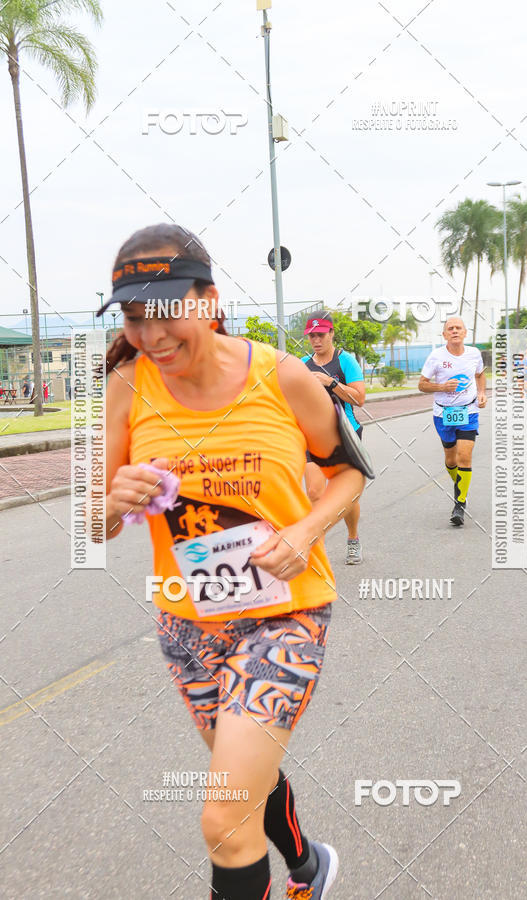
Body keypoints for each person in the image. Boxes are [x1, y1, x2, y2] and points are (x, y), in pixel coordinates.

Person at [102, 224, 365, 900]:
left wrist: (307, 530)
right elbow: (95, 521)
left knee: (223, 813)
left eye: (166, 316)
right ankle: (310, 867)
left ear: (209, 299)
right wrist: (115, 500)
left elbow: (348, 473)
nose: (153, 337)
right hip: (188, 628)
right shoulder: (128, 387)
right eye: (135, 320)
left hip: (286, 615)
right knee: (244, 776)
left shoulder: (282, 375)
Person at [301, 312, 366, 564]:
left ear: (331, 334)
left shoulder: (345, 361)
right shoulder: (302, 364)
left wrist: (330, 383)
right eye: (312, 336)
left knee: (345, 496)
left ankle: (353, 538)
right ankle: (319, 552)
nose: (316, 340)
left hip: (345, 433)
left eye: (321, 334)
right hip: (313, 436)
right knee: (315, 492)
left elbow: (359, 398)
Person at [418, 317, 487, 526]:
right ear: (445, 334)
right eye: (450, 328)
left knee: (464, 457)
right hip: (443, 414)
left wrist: (482, 392)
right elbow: (422, 385)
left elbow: (480, 374)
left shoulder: (474, 353)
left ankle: (460, 503)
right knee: (451, 460)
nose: (455, 331)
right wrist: (442, 387)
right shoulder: (436, 356)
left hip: (469, 411)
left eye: (458, 328)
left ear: (465, 332)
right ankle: (460, 488)